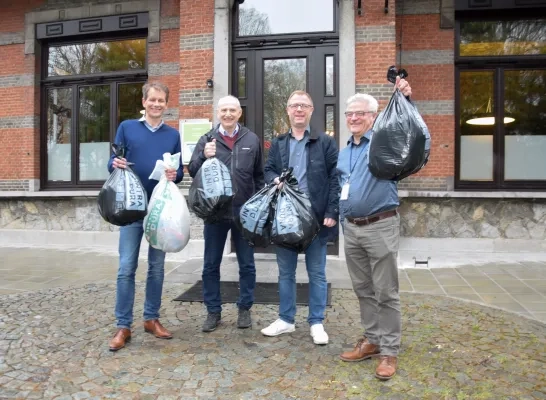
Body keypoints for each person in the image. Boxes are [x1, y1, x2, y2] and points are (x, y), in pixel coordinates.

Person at [338, 77, 420, 380]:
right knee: (363, 289)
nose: (355, 118)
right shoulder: (344, 152)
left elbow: (410, 133)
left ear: (373, 117)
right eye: (350, 113)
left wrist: (406, 99)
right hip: (352, 229)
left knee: (386, 291)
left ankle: (389, 351)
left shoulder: (386, 141)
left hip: (381, 226)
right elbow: (341, 186)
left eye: (361, 113)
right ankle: (372, 340)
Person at [107, 82, 184, 351]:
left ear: (166, 104)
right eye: (152, 99)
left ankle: (151, 319)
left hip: (159, 211)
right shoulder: (127, 128)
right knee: (126, 267)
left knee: (156, 267)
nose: (156, 104)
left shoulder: (172, 135)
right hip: (131, 210)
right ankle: (123, 325)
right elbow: (112, 162)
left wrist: (176, 174)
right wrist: (114, 163)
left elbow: (180, 171)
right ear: (143, 102)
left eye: (161, 100)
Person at [261, 90, 339, 345]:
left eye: (304, 106)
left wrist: (331, 212)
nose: (299, 110)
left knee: (316, 273)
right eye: (295, 105)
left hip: (315, 218)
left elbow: (335, 178)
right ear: (288, 110)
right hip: (285, 218)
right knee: (286, 273)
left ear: (311, 111)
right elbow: (268, 168)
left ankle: (316, 322)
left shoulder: (324, 142)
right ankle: (286, 319)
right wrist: (274, 179)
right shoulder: (279, 142)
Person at [188, 95, 264, 332]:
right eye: (224, 110)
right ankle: (213, 311)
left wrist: (259, 206)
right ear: (217, 113)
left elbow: (259, 176)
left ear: (239, 113)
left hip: (244, 211)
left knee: (247, 264)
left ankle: (244, 309)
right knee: (211, 264)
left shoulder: (251, 138)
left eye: (233, 110)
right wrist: (203, 155)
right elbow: (192, 171)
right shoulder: (207, 139)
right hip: (215, 213)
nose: (228, 114)